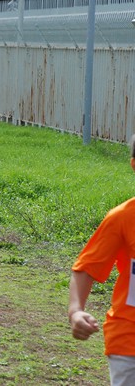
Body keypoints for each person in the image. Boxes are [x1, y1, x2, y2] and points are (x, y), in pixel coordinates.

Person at [68, 133, 135, 385]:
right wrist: (75, 310)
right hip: (130, 342)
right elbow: (86, 268)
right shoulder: (122, 218)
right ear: (134, 166)